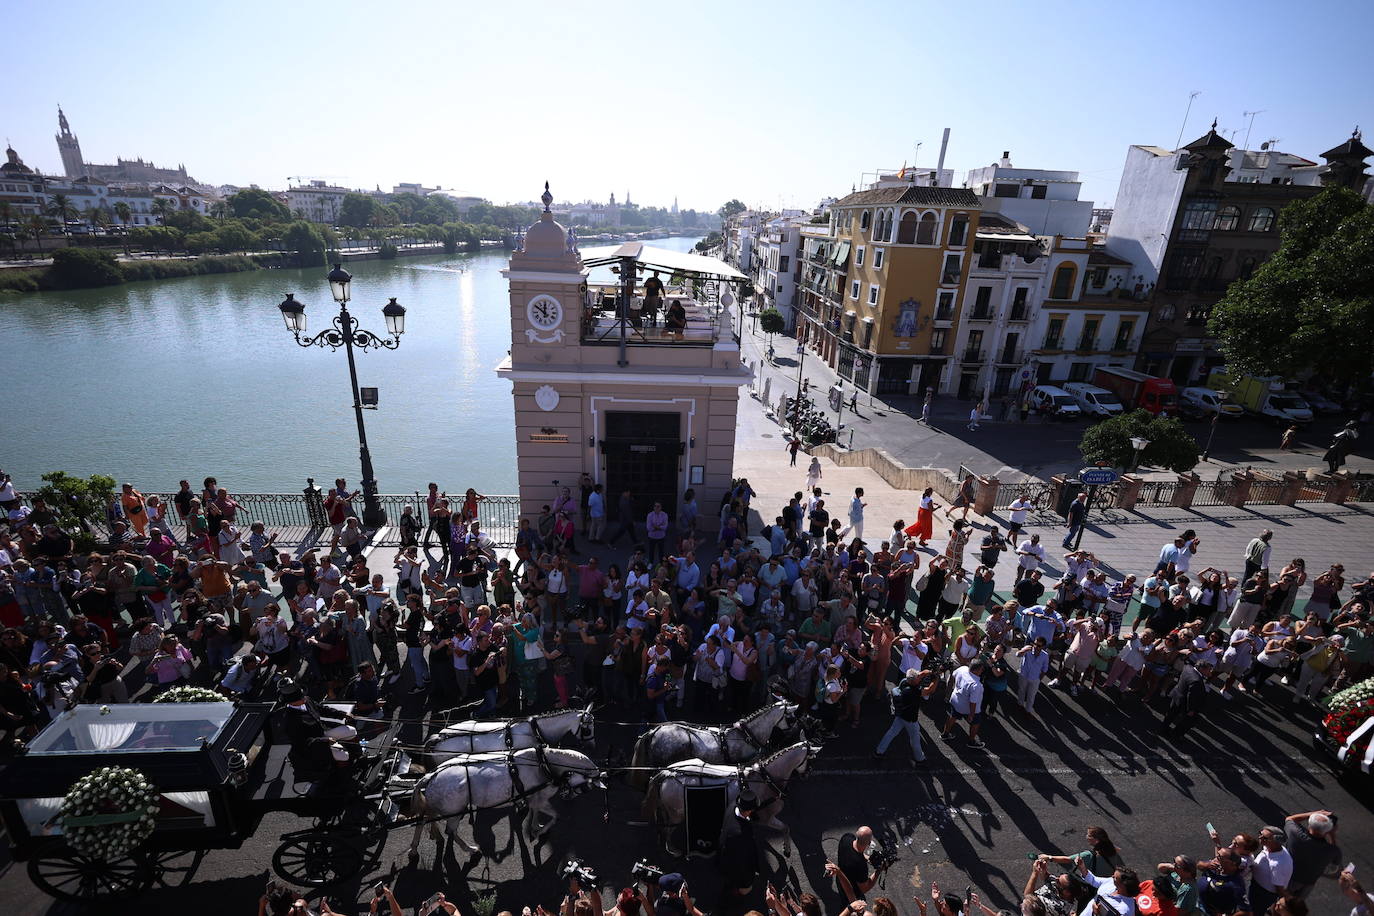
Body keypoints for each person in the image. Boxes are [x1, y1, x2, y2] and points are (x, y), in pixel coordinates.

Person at [873, 668, 939, 768]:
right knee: (915, 738)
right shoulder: (913, 691)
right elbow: (930, 690)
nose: (919, 676)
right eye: (917, 677)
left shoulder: (904, 682)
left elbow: (920, 674)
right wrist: (936, 679)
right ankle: (920, 759)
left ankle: (879, 752)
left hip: (901, 714)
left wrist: (931, 671)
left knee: (891, 732)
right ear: (913, 680)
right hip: (910, 718)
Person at [1281, 810, 1341, 899]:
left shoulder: (1295, 834)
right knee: (1295, 907)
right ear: (1328, 830)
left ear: (1309, 824)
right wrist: (1332, 835)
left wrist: (1312, 814)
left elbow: (1289, 819)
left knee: (1279, 901)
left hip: (1287, 876)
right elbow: (1334, 867)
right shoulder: (1332, 850)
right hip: (1307, 883)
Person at [941, 657, 986, 748]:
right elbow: (973, 702)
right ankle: (971, 741)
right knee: (975, 723)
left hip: (955, 700)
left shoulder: (962, 669)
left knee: (952, 717)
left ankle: (945, 734)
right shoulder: (976, 685)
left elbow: (952, 677)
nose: (982, 670)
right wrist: (971, 715)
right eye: (981, 669)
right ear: (977, 670)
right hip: (967, 707)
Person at [1160, 659, 1211, 737]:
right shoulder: (1196, 680)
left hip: (1177, 694)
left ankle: (1163, 729)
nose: (1210, 672)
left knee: (1170, 714)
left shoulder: (1187, 667)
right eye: (1208, 670)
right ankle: (1175, 735)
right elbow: (1191, 697)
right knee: (1188, 721)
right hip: (1184, 702)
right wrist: (1190, 710)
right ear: (1201, 669)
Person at [826, 826, 879, 899]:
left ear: (857, 834)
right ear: (869, 843)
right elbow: (864, 888)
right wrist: (878, 871)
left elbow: (855, 852)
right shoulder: (861, 866)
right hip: (851, 892)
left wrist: (868, 858)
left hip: (840, 881)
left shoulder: (847, 838)